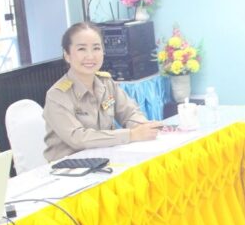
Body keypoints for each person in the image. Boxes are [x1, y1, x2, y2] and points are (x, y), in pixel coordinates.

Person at [44, 22, 160, 162]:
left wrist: (143, 126)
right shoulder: (57, 95)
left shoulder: (106, 82)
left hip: (105, 159)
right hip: (69, 167)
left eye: (96, 48)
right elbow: (78, 139)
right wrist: (131, 135)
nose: (90, 56)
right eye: (81, 49)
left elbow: (129, 112)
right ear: (67, 55)